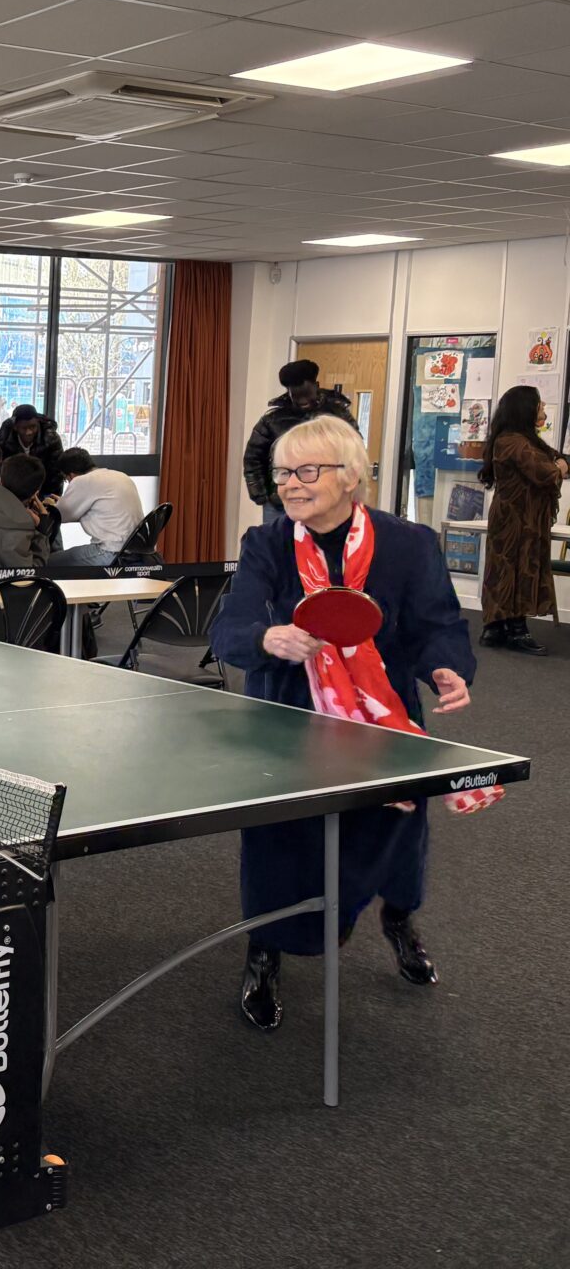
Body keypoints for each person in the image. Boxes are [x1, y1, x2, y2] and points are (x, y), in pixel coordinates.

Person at [210, 415, 477, 1034]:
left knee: (394, 834)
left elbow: (440, 625)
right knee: (278, 841)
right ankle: (264, 951)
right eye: (282, 473)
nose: (290, 486)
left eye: (307, 471)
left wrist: (446, 670)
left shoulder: (409, 544)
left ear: (351, 476)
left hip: (382, 723)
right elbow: (229, 631)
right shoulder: (266, 544)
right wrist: (267, 637)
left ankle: (398, 917)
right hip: (286, 718)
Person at [477, 384, 566, 655]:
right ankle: (513, 629)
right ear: (524, 409)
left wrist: (558, 463)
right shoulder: (511, 442)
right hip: (514, 521)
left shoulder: (523, 440)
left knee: (515, 567)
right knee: (511, 569)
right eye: (538, 406)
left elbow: (554, 460)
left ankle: (500, 627)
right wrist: (560, 467)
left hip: (525, 520)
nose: (542, 410)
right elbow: (547, 472)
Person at [243, 359, 358, 526]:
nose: (302, 401)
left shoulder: (339, 415)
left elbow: (354, 452)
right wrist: (260, 494)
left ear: (316, 386)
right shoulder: (272, 421)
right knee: (277, 549)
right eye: (296, 396)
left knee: (319, 549)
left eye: (306, 394)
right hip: (281, 503)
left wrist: (347, 488)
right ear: (288, 393)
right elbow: (253, 457)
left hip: (327, 499)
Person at [49, 447, 144, 567]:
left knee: (49, 562)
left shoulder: (81, 481)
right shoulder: (121, 476)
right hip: (138, 552)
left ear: (71, 475)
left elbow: (60, 515)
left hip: (110, 552)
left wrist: (52, 505)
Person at [0, 404, 64, 497]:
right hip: (13, 490)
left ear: (38, 422)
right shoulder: (4, 438)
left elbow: (56, 472)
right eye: (24, 428)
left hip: (45, 488)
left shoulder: (50, 438)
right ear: (15, 427)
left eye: (33, 426)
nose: (29, 432)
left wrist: (47, 499)